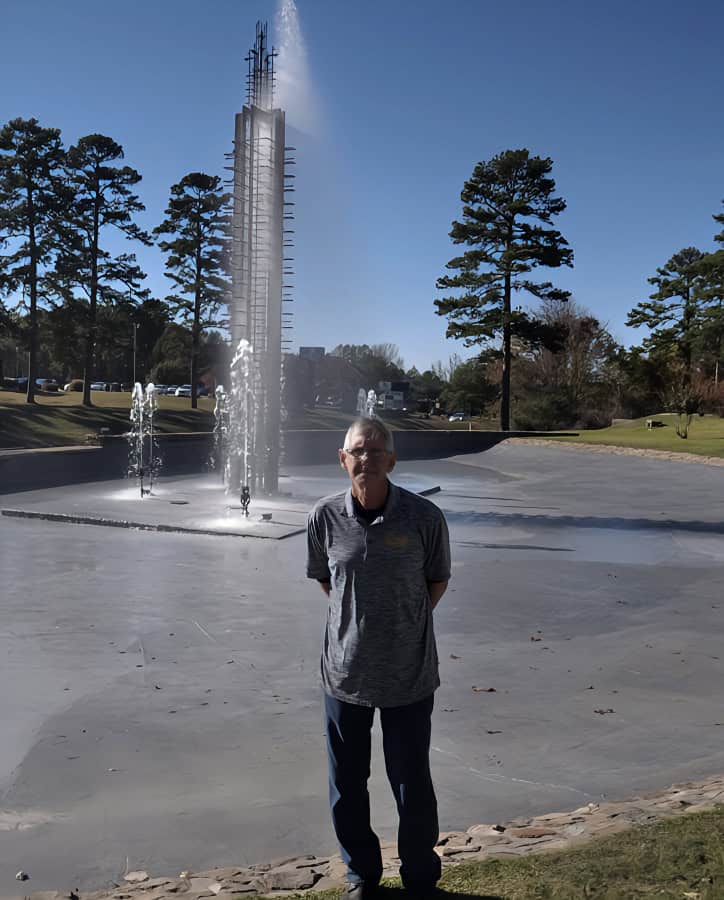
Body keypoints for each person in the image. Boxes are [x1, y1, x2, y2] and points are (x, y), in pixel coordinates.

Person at [306, 417, 451, 900]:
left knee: (412, 783)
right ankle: (362, 875)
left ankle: (419, 878)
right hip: (344, 676)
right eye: (357, 451)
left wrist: (400, 623)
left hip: (409, 674)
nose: (365, 459)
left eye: (375, 451)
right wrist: (358, 626)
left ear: (391, 459)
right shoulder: (323, 517)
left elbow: (437, 580)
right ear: (342, 458)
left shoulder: (425, 517)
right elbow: (328, 582)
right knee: (347, 786)